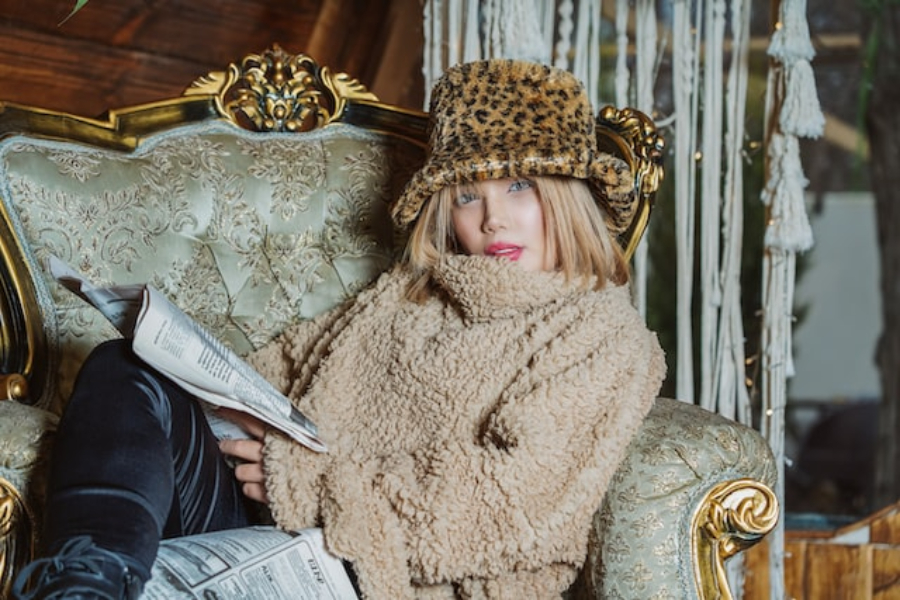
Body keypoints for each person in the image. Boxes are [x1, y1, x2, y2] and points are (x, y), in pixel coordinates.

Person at [12, 59, 665, 599]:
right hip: (276, 512)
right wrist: (221, 400)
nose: (491, 219)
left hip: (378, 571)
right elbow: (284, 367)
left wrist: (304, 477)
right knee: (123, 367)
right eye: (468, 196)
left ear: (566, 196)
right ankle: (81, 587)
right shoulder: (407, 295)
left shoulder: (599, 333)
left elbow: (509, 509)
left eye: (518, 187)